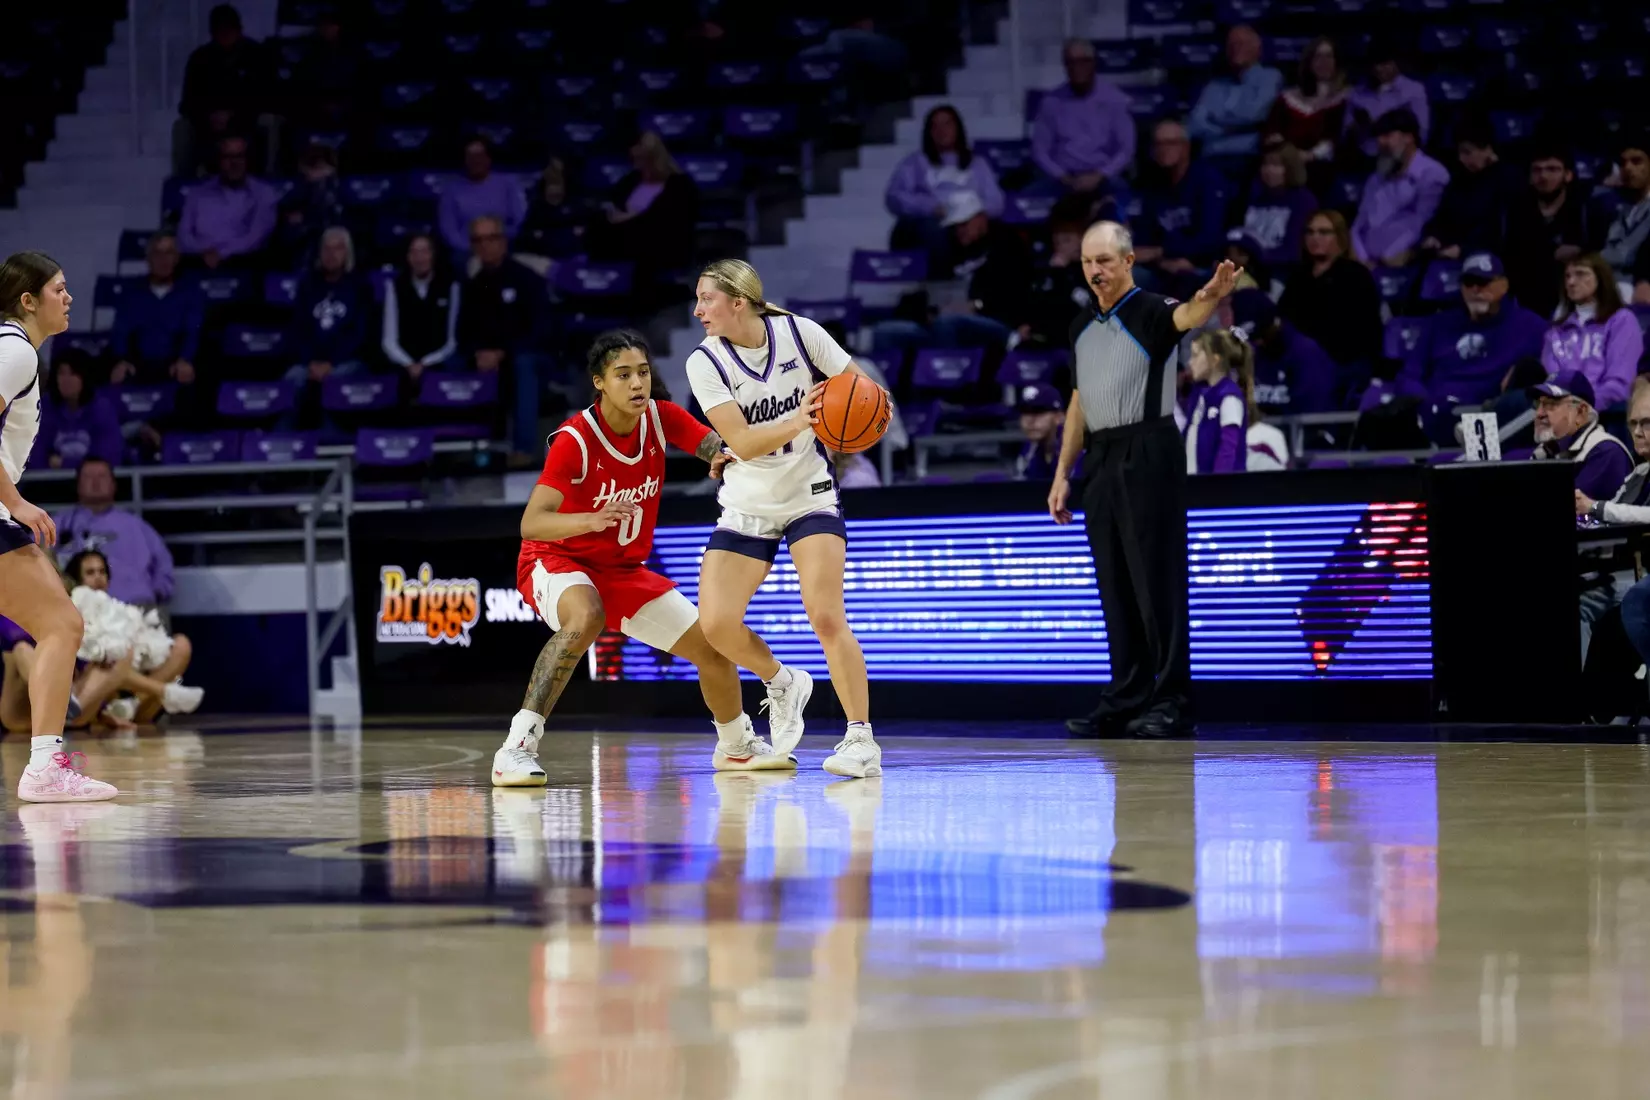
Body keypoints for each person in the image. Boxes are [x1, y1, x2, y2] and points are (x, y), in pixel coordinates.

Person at [498, 330, 795, 785]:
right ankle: (516, 748)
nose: (637, 383)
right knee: (586, 616)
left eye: (642, 372)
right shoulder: (575, 440)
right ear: (599, 382)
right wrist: (590, 520)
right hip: (556, 557)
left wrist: (723, 457)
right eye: (623, 375)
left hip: (621, 569)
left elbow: (710, 444)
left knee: (713, 647)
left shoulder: (660, 418)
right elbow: (532, 523)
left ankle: (736, 746)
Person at [686, 259, 888, 778]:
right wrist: (803, 417)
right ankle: (782, 682)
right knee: (715, 625)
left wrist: (855, 420)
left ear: (738, 301)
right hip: (748, 501)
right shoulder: (704, 362)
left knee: (824, 615)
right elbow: (746, 443)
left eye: (706, 298)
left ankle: (861, 739)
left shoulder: (801, 335)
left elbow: (865, 393)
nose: (698, 309)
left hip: (808, 494)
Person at [1048, 223, 1242, 739]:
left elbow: (1188, 315)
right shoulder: (1079, 327)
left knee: (1157, 580)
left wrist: (1210, 295)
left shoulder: (1152, 310)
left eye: (1105, 261)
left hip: (1149, 448)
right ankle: (1128, 695)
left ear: (1129, 261)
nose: (1095, 271)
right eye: (1088, 262)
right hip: (1102, 456)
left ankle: (1174, 699)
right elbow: (1078, 401)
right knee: (1115, 584)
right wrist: (1063, 472)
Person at [0, 252, 117, 801]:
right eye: (59, 289)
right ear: (28, 300)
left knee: (60, 623)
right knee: (62, 624)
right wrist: (15, 500)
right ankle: (44, 767)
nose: (68, 298)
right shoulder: (15, 351)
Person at [885, 105, 1006, 275]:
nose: (941, 130)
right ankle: (942, 286)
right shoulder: (915, 162)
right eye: (935, 126)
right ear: (928, 133)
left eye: (947, 124)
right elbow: (894, 196)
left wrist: (976, 216)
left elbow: (996, 201)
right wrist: (932, 207)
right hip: (928, 224)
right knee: (933, 229)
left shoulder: (977, 163)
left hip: (969, 223)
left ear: (958, 128)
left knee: (1001, 233)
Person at [1277, 209, 1384, 396]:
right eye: (1310, 232)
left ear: (1340, 237)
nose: (1315, 237)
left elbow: (1363, 332)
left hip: (1344, 362)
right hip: (1301, 360)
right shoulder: (1298, 277)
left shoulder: (1356, 275)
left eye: (1324, 232)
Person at [54, 458, 176, 609]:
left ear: (113, 485)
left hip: (135, 607)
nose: (95, 482)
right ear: (77, 485)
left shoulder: (137, 526)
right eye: (88, 477)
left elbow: (163, 565)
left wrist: (156, 593)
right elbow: (29, 560)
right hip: (77, 611)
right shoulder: (58, 524)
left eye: (102, 477)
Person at [1030, 38, 1136, 197]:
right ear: (1065, 66)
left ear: (1093, 63)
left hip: (1103, 177)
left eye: (1083, 61)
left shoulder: (1115, 100)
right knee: (1028, 198)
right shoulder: (1051, 102)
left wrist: (1100, 175)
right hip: (1063, 178)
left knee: (1122, 193)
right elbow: (1040, 151)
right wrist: (1062, 177)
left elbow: (1126, 149)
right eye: (1070, 62)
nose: (1076, 67)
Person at [1541, 253, 1643, 410]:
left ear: (1600, 278)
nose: (1571, 282)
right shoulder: (1555, 332)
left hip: (1607, 414)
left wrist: (1583, 408)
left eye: (1581, 274)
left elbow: (1619, 383)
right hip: (1561, 415)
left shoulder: (1622, 321)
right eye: (1567, 276)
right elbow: (1552, 382)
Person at [177, 135, 279, 270]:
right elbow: (183, 235)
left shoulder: (264, 193)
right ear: (218, 160)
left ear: (248, 160)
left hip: (243, 263)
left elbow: (255, 238)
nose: (234, 162)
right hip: (198, 261)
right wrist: (204, 252)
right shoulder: (197, 193)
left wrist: (221, 253)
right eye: (227, 157)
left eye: (240, 156)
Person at [381, 233, 461, 387]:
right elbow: (388, 340)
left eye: (425, 251)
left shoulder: (451, 286)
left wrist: (426, 364)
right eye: (414, 252)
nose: (420, 257)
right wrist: (409, 364)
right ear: (407, 256)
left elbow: (452, 340)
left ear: (433, 254)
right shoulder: (394, 286)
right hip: (403, 361)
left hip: (438, 359)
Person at [437, 137, 526, 257]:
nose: (475, 161)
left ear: (488, 159)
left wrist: (497, 243)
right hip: (467, 249)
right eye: (470, 156)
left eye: (479, 155)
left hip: (503, 245)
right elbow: (448, 229)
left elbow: (520, 220)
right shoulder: (451, 190)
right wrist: (471, 248)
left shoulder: (509, 184)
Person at [31, 357, 122, 471]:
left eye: (73, 373)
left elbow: (108, 458)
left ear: (84, 377)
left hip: (93, 481)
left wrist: (64, 463)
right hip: (49, 483)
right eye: (62, 373)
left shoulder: (102, 408)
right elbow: (35, 457)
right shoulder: (44, 407)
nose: (66, 379)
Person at [1181, 329, 1251, 474]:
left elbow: (1228, 448)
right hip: (1194, 485)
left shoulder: (1229, 397)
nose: (1190, 362)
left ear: (1214, 359)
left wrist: (1217, 487)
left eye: (1195, 356)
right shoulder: (1198, 394)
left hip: (1221, 490)